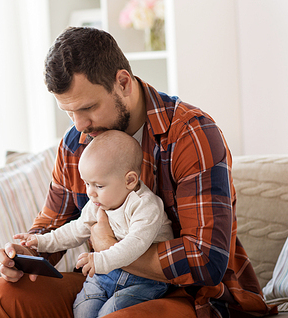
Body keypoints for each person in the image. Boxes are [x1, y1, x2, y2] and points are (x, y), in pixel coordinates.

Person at [0, 27, 277, 318]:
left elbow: (205, 261)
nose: (79, 125)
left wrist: (108, 247)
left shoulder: (191, 134)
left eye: (88, 108)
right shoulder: (77, 142)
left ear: (123, 82)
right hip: (104, 280)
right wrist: (25, 252)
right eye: (69, 113)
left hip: (188, 295)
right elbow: (53, 224)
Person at [14, 130, 174, 318]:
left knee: (111, 311)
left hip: (145, 281)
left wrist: (100, 259)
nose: (90, 192)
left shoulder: (145, 206)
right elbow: (75, 230)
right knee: (83, 309)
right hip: (104, 276)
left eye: (98, 185)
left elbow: (135, 244)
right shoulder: (98, 203)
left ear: (129, 180)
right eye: (86, 184)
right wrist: (40, 241)